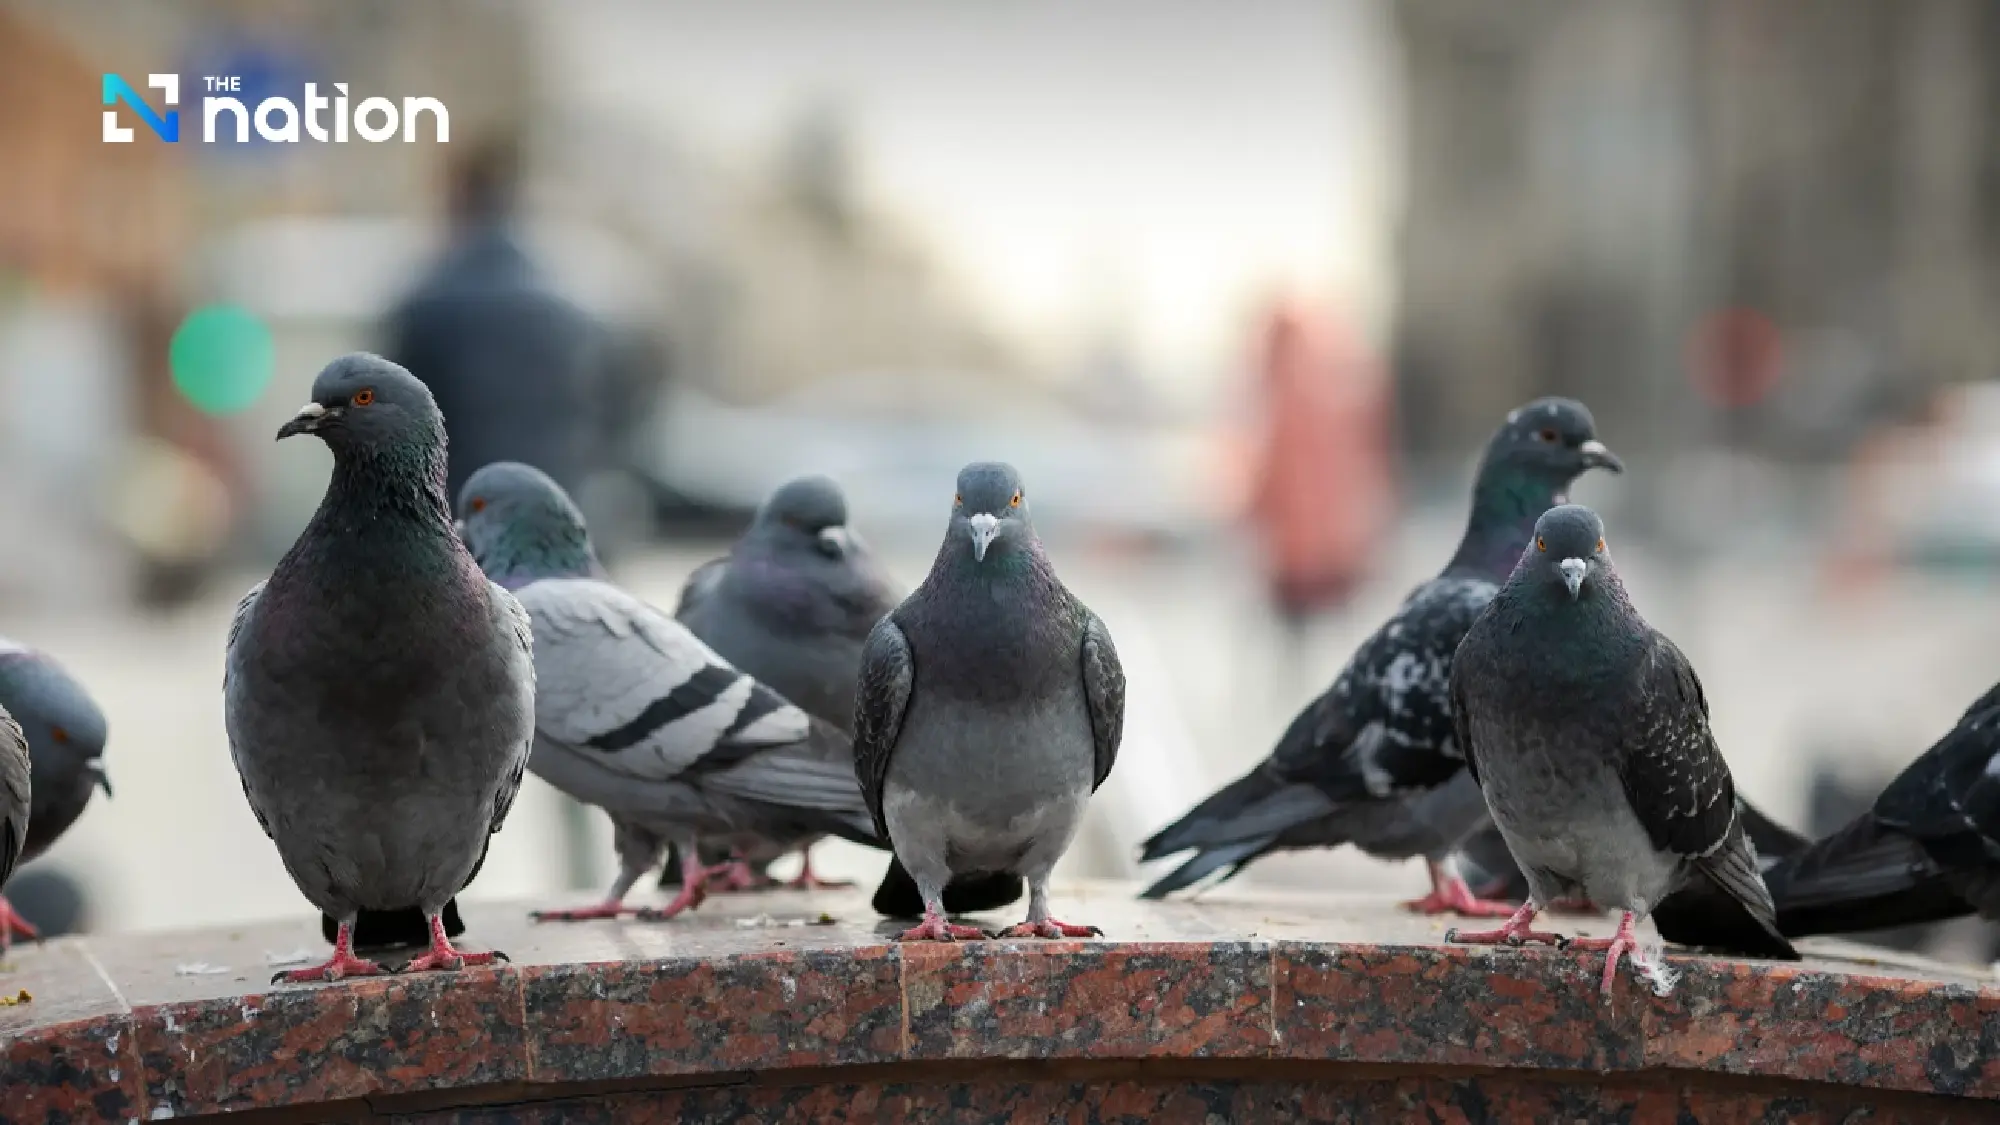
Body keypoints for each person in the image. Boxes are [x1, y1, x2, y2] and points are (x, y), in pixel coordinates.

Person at [381, 138, 607, 501]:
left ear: (458, 195)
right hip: (553, 499)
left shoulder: (431, 302)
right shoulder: (563, 303)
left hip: (461, 508)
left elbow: (394, 422)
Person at [1246, 300, 1395, 647]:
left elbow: (1267, 480)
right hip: (1331, 556)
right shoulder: (1336, 394)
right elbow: (1363, 469)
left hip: (1296, 560)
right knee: (1333, 651)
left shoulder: (1283, 404)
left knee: (1295, 657)